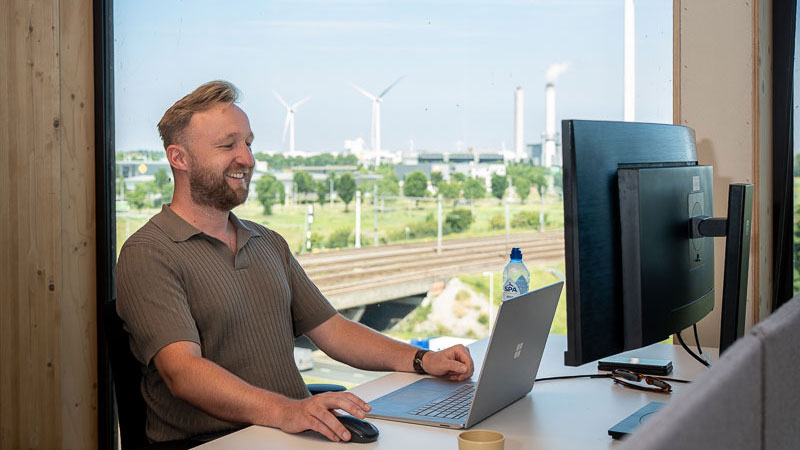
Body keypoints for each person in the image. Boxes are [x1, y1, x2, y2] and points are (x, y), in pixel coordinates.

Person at [115, 80, 474, 444]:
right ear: (179, 158)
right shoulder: (150, 252)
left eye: (248, 143)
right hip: (221, 441)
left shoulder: (267, 241)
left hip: (291, 433)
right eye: (228, 145)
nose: (248, 159)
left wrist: (423, 360)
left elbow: (332, 330)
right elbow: (184, 373)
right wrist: (288, 411)